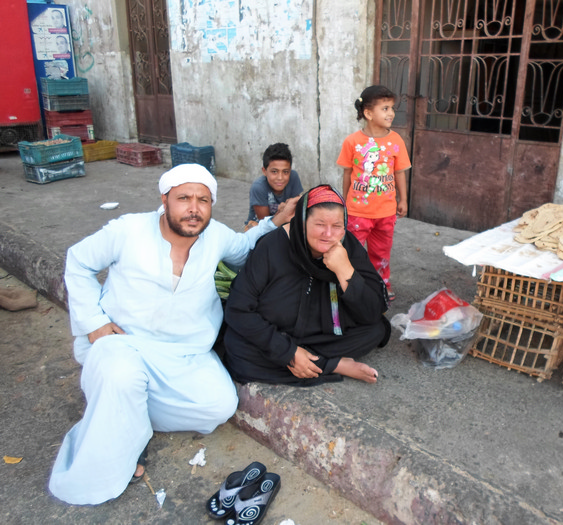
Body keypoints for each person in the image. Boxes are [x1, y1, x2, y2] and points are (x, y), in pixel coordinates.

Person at [48, 164, 298, 505]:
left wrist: (277, 220)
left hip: (184, 355)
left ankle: (122, 413)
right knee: (119, 374)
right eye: (184, 198)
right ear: (164, 199)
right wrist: (94, 323)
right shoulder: (128, 229)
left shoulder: (216, 237)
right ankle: (111, 440)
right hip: (123, 345)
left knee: (219, 406)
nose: (194, 208)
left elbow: (245, 246)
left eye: (203, 200)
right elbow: (78, 261)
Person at [223, 185, 391, 386]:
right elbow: (238, 309)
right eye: (320, 224)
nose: (328, 234)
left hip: (321, 334)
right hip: (277, 335)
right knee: (238, 350)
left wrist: (345, 271)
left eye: (337, 226)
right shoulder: (271, 247)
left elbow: (374, 309)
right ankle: (332, 364)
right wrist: (288, 352)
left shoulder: (348, 246)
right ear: (302, 222)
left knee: (377, 330)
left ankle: (309, 361)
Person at [337, 85, 411, 301]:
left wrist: (403, 199)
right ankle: (354, 286)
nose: (391, 113)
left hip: (386, 212)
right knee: (354, 253)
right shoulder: (352, 141)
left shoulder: (396, 140)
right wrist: (345, 202)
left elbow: (399, 173)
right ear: (368, 114)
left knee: (381, 253)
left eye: (392, 108)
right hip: (358, 211)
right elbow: (347, 173)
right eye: (385, 108)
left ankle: (382, 285)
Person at [245, 143, 304, 231]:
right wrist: (281, 212)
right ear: (264, 171)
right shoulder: (258, 187)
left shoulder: (293, 177)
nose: (280, 178)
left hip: (284, 222)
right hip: (259, 228)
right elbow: (266, 225)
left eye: (285, 172)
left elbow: (296, 209)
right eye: (274, 172)